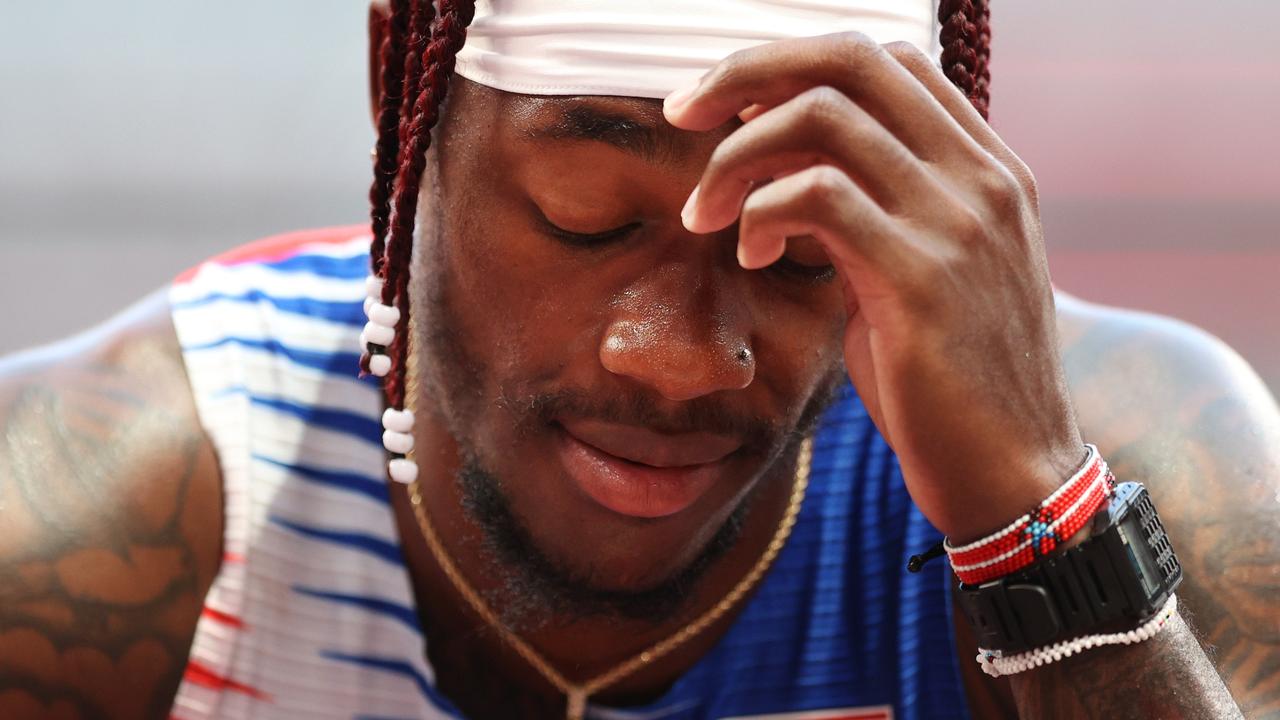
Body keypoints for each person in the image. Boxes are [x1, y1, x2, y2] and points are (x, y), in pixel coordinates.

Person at [1, 0, 1277, 717]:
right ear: (405, 87)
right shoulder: (94, 522)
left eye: (797, 247)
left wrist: (1039, 534)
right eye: (587, 216)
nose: (675, 360)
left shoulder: (1129, 472)